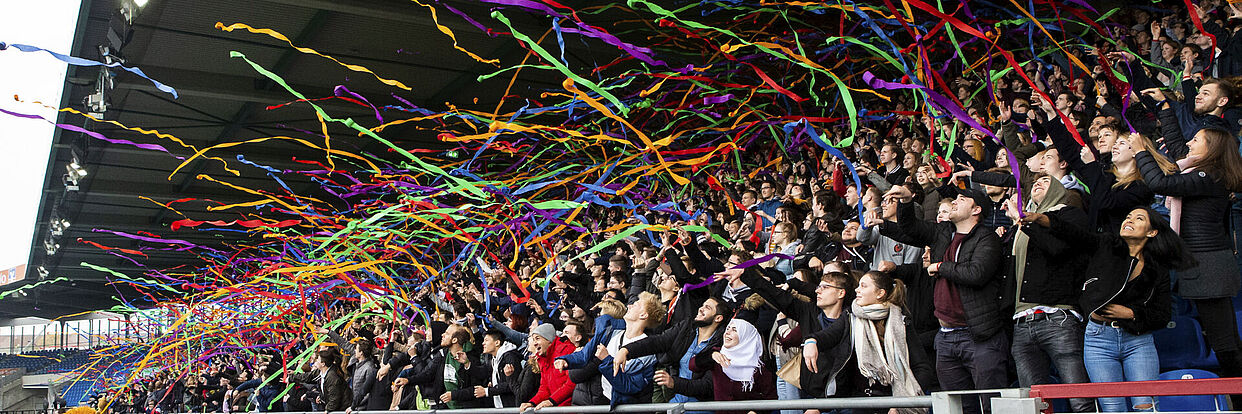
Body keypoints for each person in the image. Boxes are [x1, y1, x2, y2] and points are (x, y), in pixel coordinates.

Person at [1022, 207, 1192, 412]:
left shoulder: (1157, 269)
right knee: (1112, 408)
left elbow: (1162, 315)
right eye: (1127, 216)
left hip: (1138, 341)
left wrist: (1131, 313)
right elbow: (1074, 234)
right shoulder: (1106, 245)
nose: (1129, 220)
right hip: (1098, 339)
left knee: (1146, 406)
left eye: (1138, 218)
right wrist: (1040, 219)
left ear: (1152, 232)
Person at [1136, 125, 1242, 402]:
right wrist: (1163, 109)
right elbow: (1177, 155)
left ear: (1213, 149)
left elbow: (1161, 183)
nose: (1190, 144)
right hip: (1203, 263)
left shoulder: (1210, 175)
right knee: (1225, 340)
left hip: (1209, 265)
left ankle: (1239, 398)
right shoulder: (1203, 172)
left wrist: (1141, 153)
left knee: (1225, 342)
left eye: (1197, 140)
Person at [882, 184, 1007, 411]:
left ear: (976, 209)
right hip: (946, 337)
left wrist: (940, 266)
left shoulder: (987, 238)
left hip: (978, 335)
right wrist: (907, 201)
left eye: (962, 198)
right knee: (956, 407)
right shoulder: (943, 232)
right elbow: (909, 227)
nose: (955, 201)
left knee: (992, 406)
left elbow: (976, 273)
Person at [1002, 175, 1093, 412]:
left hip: (1058, 318)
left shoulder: (1069, 215)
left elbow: (1057, 248)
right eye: (1035, 183)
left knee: (1080, 400)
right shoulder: (1021, 225)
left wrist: (1024, 222)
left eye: (1046, 181)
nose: (1038, 184)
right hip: (1022, 321)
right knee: (1035, 405)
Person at [801, 271, 932, 414]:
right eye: (858, 286)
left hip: (894, 403)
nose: (857, 290)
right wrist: (811, 341)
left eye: (863, 286)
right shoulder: (850, 317)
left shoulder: (901, 322)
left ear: (880, 293)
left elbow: (922, 368)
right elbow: (828, 336)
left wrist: (901, 403)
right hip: (861, 402)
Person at [614, 297, 731, 410]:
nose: (701, 308)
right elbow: (659, 341)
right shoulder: (687, 326)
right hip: (677, 401)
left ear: (718, 318)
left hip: (703, 407)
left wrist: (674, 383)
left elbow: (707, 386)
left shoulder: (722, 345)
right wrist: (626, 350)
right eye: (702, 305)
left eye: (707, 307)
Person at [689, 319, 777, 414]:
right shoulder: (718, 354)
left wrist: (756, 411)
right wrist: (710, 356)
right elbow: (693, 366)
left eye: (734, 330)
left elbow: (771, 397)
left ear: (745, 337)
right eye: (728, 328)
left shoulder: (758, 368)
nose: (727, 333)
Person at [519, 323, 576, 410]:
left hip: (571, 408)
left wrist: (551, 401)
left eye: (537, 338)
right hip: (557, 407)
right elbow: (544, 388)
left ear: (548, 339)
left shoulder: (566, 351)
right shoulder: (542, 358)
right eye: (533, 339)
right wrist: (532, 403)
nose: (534, 343)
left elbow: (572, 382)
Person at [473, 330, 522, 408]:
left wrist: (487, 391)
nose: (483, 343)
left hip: (512, 406)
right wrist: (466, 363)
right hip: (500, 405)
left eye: (486, 340)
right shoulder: (494, 358)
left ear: (497, 343)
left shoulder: (510, 357)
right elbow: (482, 372)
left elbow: (511, 383)